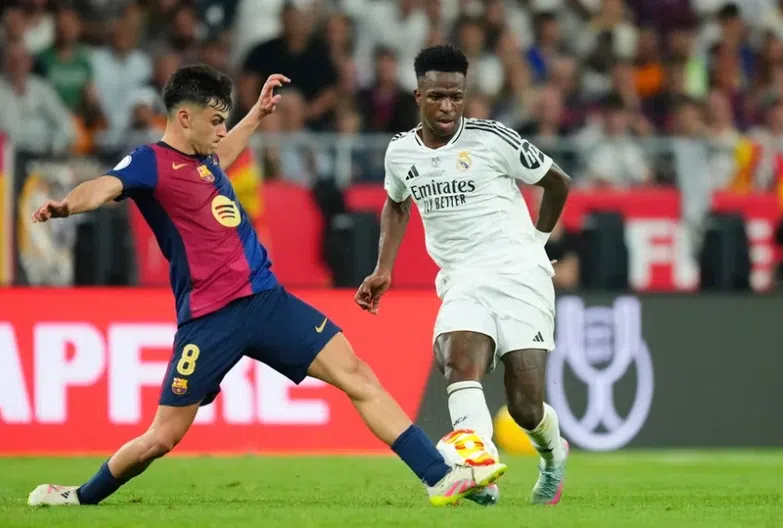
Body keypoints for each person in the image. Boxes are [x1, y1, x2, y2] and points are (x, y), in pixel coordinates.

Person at [26, 64, 506, 508]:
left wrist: (256, 114)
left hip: (267, 301)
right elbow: (105, 186)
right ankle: (80, 496)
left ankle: (439, 477)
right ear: (185, 117)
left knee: (357, 374)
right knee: (161, 438)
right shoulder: (150, 163)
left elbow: (225, 152)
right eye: (216, 121)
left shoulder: (206, 159)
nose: (221, 130)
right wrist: (68, 205)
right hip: (210, 320)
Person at [355, 45, 571, 506]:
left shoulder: (493, 139)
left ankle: (553, 459)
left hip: (519, 275)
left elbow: (558, 182)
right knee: (456, 359)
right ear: (419, 96)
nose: (448, 106)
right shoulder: (400, 152)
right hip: (461, 278)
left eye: (456, 96)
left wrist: (536, 241)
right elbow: (397, 203)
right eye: (437, 96)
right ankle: (479, 471)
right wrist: (383, 268)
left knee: (525, 406)